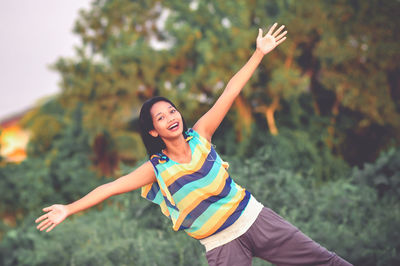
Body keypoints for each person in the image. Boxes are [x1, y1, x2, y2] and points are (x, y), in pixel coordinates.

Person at [35, 23, 352, 266]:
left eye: (172, 110)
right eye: (161, 117)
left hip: (256, 220)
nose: (171, 116)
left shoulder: (201, 134)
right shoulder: (157, 169)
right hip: (221, 246)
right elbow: (110, 187)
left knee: (325, 261)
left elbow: (229, 93)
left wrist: (259, 53)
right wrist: (68, 209)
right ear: (154, 131)